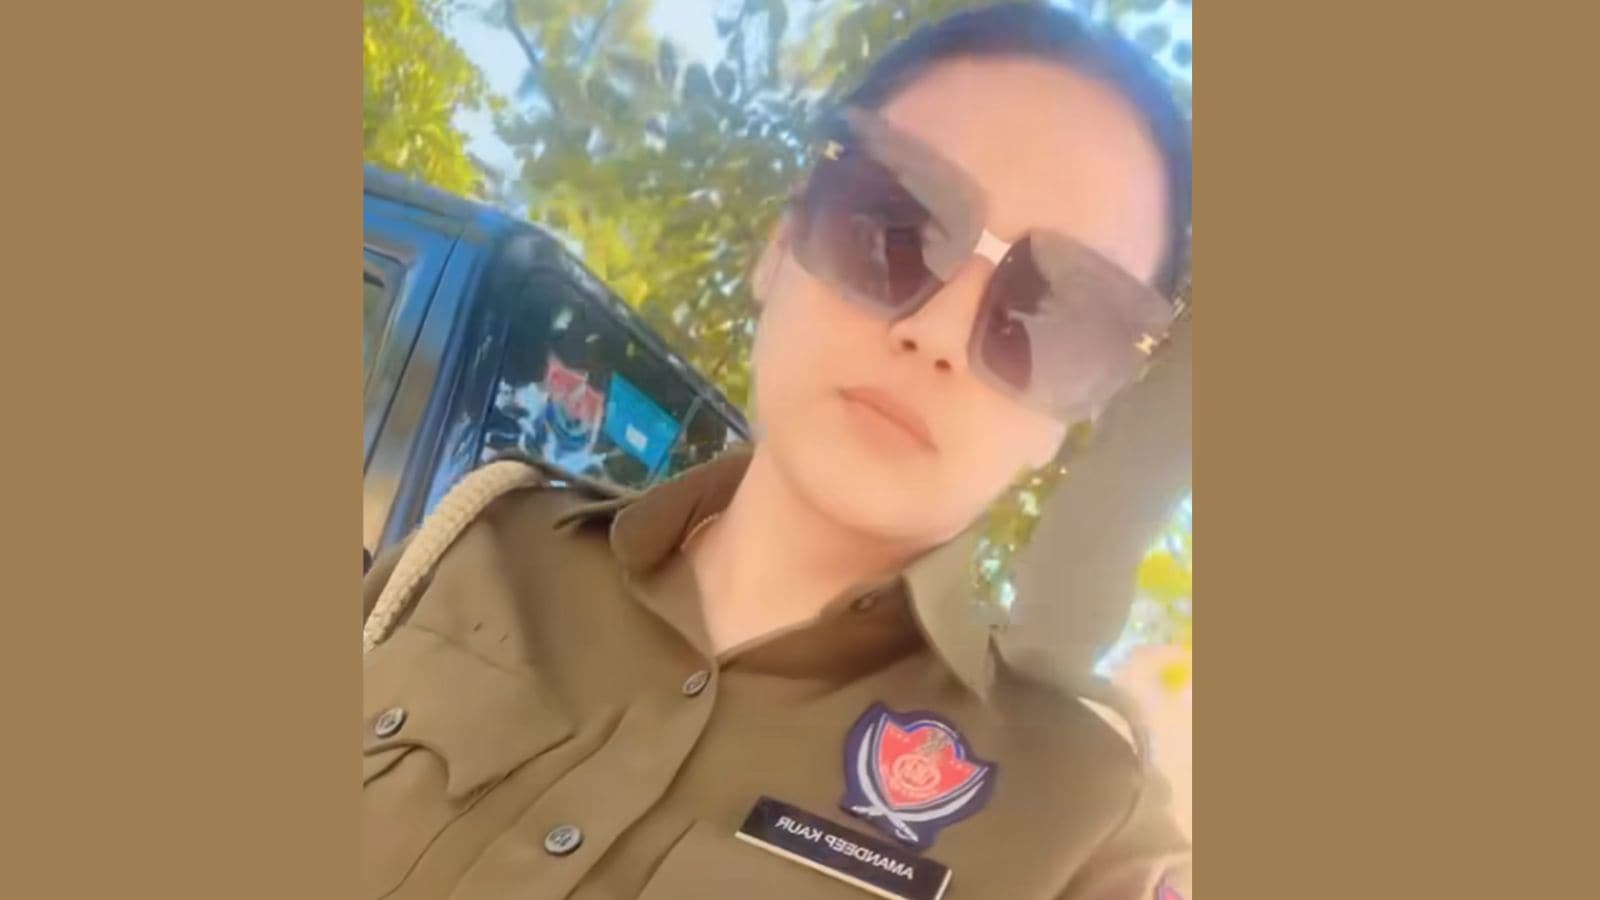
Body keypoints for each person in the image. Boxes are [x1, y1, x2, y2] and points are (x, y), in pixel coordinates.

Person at [361, 3, 1193, 898]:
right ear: (779, 244)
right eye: (897, 227)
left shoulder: (1084, 825)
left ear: (1075, 416)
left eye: (1053, 319)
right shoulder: (478, 545)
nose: (940, 334)